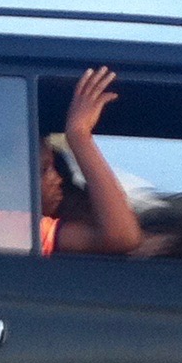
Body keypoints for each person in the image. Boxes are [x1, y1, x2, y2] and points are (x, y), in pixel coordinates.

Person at [38, 65, 142, 256]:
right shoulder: (0, 225)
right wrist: (79, 134)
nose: (58, 179)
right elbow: (122, 237)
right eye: (43, 170)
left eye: (55, 167)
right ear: (2, 180)